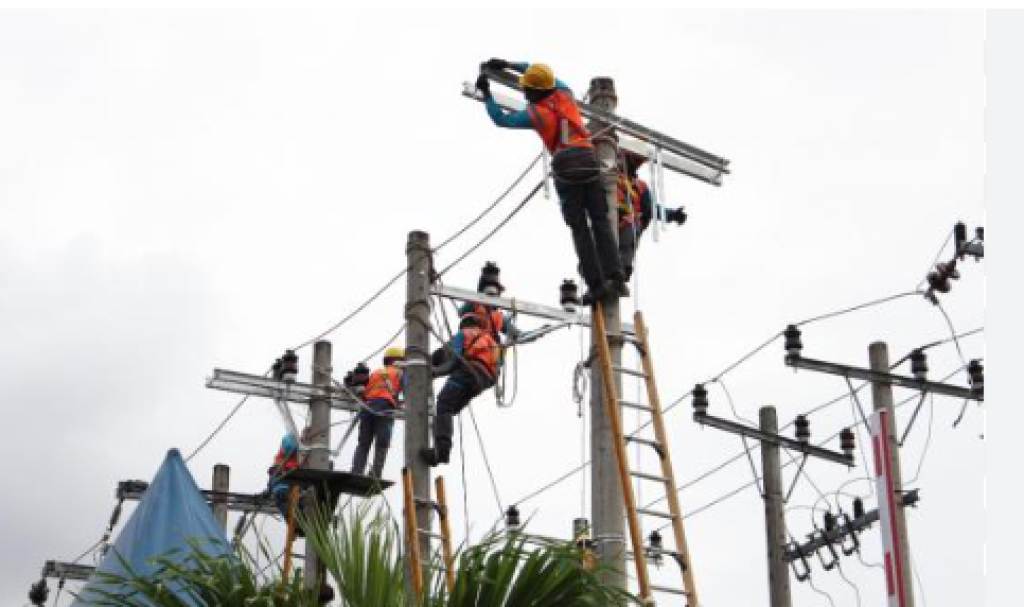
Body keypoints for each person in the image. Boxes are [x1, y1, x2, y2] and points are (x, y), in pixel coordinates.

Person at [477, 58, 627, 305]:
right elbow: (535, 70)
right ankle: (616, 274)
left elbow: (501, 119)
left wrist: (486, 93)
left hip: (566, 165)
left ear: (534, 91)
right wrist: (509, 64)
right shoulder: (564, 93)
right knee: (601, 219)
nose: (524, 91)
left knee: (580, 229)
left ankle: (597, 286)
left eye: (526, 88)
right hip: (587, 159)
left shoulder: (536, 113)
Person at [421, 313, 501, 466]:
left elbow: (454, 360)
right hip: (482, 381)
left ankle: (441, 452)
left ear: (464, 324)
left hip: (467, 372)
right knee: (450, 409)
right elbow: (496, 374)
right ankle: (440, 436)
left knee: (444, 404)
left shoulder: (463, 334)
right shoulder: (493, 343)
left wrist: (435, 372)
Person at [616, 151, 688, 281]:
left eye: (637, 161)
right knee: (597, 251)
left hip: (627, 225)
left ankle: (623, 270)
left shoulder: (640, 186)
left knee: (629, 232)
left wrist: (672, 214)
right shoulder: (608, 176)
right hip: (605, 222)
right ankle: (595, 282)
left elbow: (650, 209)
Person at [350, 348, 405, 479]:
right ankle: (375, 474)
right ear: (399, 360)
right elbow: (408, 390)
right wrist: (403, 403)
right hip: (385, 407)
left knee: (363, 443)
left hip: (368, 406)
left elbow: (364, 392)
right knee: (382, 443)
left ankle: (356, 472)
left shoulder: (376, 372)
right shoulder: (400, 373)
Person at [267, 429, 308, 518]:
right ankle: (294, 520)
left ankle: (298, 520)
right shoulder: (292, 438)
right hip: (282, 476)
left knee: (301, 502)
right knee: (283, 497)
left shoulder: (311, 452)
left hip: (295, 479)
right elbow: (289, 445)